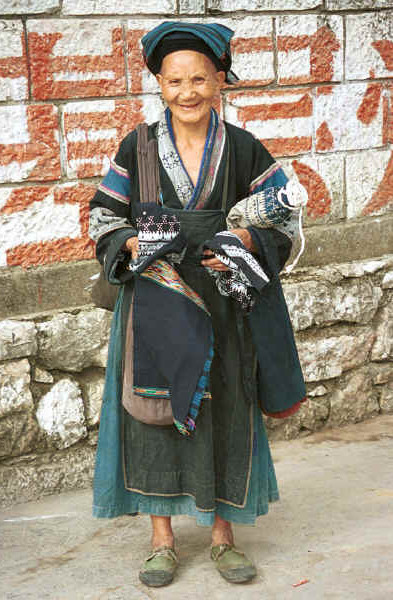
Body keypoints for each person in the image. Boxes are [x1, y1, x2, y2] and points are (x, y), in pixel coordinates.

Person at [89, 21, 306, 588]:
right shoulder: (136, 146)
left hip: (222, 301)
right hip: (156, 297)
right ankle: (161, 540)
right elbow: (102, 216)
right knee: (153, 415)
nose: (189, 92)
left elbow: (282, 214)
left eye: (201, 80)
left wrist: (247, 242)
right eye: (175, 80)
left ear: (220, 82)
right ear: (159, 83)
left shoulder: (240, 147)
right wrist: (131, 241)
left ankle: (221, 535)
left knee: (225, 406)